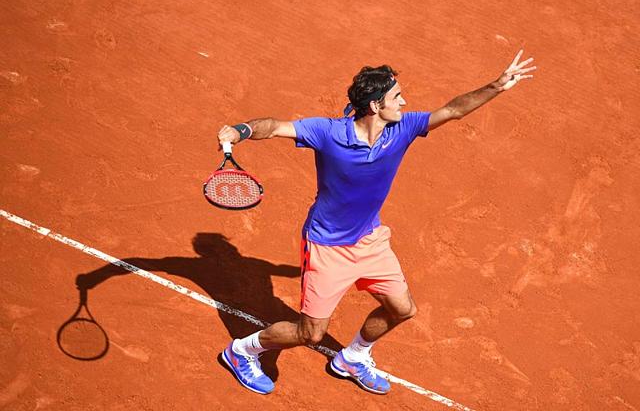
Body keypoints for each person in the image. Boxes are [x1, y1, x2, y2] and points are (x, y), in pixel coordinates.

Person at [216, 50, 536, 395]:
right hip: (326, 247)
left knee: (402, 309)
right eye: (396, 97)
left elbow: (454, 110)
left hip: (370, 240)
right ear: (375, 106)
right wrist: (242, 129)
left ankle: (353, 357)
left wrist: (497, 86)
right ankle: (241, 352)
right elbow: (276, 126)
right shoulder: (327, 132)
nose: (404, 102)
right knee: (311, 333)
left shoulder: (403, 129)